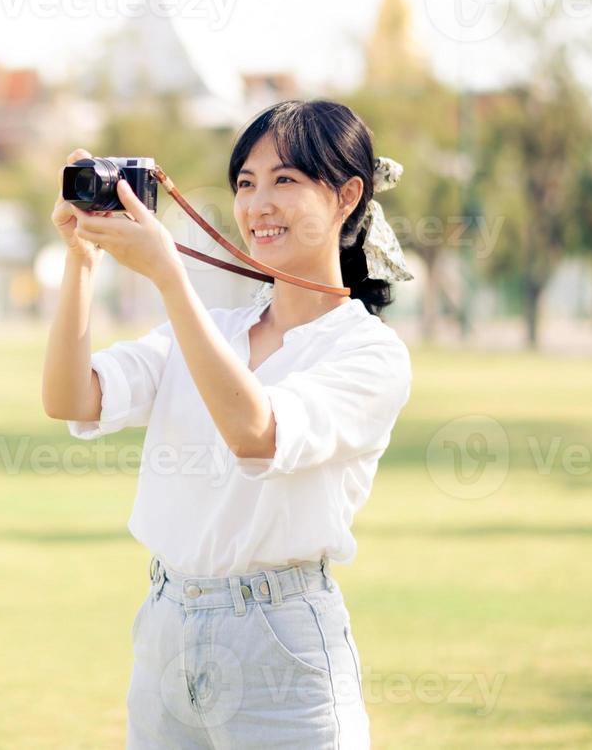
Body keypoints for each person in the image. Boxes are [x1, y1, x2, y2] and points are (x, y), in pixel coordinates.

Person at [41, 100, 416, 749]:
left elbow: (257, 433)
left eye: (285, 181)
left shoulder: (369, 353)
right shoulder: (213, 330)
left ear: (347, 195)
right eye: (246, 183)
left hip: (279, 644)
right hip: (165, 631)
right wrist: (81, 259)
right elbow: (71, 397)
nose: (258, 204)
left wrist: (168, 275)